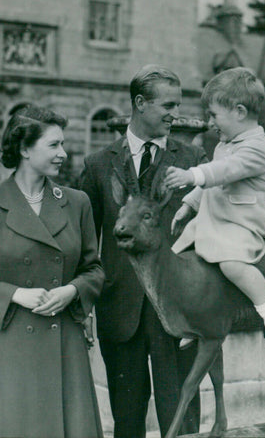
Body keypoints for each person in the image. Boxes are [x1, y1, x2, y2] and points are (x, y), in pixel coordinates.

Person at [0, 105, 104, 438]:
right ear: (24, 149)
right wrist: (15, 293)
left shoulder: (77, 203)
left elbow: (93, 270)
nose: (63, 153)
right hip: (7, 344)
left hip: (64, 345)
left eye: (63, 144)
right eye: (54, 145)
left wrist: (72, 291)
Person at [80, 65, 206, 438]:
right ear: (140, 103)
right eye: (167, 105)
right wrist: (85, 301)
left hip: (179, 310)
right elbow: (85, 239)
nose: (175, 114)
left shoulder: (194, 163)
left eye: (178, 106)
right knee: (126, 420)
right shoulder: (98, 165)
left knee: (181, 420)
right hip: (118, 308)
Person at [165, 67, 265, 348]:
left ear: (240, 112)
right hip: (215, 219)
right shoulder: (226, 143)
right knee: (177, 255)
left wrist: (191, 175)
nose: (210, 123)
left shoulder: (256, 148)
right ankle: (195, 316)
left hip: (241, 222)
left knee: (232, 265)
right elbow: (213, 183)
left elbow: (223, 171)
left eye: (214, 115)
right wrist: (189, 203)